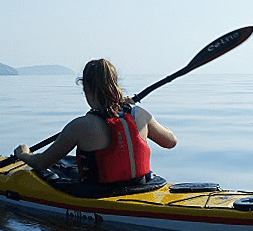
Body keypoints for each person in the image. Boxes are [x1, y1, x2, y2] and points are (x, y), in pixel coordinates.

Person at [14, 59, 177, 186]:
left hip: (100, 193)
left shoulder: (79, 126)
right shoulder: (141, 114)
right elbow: (171, 142)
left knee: (49, 170)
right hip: (142, 186)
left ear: (86, 89)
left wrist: (24, 155)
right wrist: (147, 120)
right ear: (116, 85)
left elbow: (42, 163)